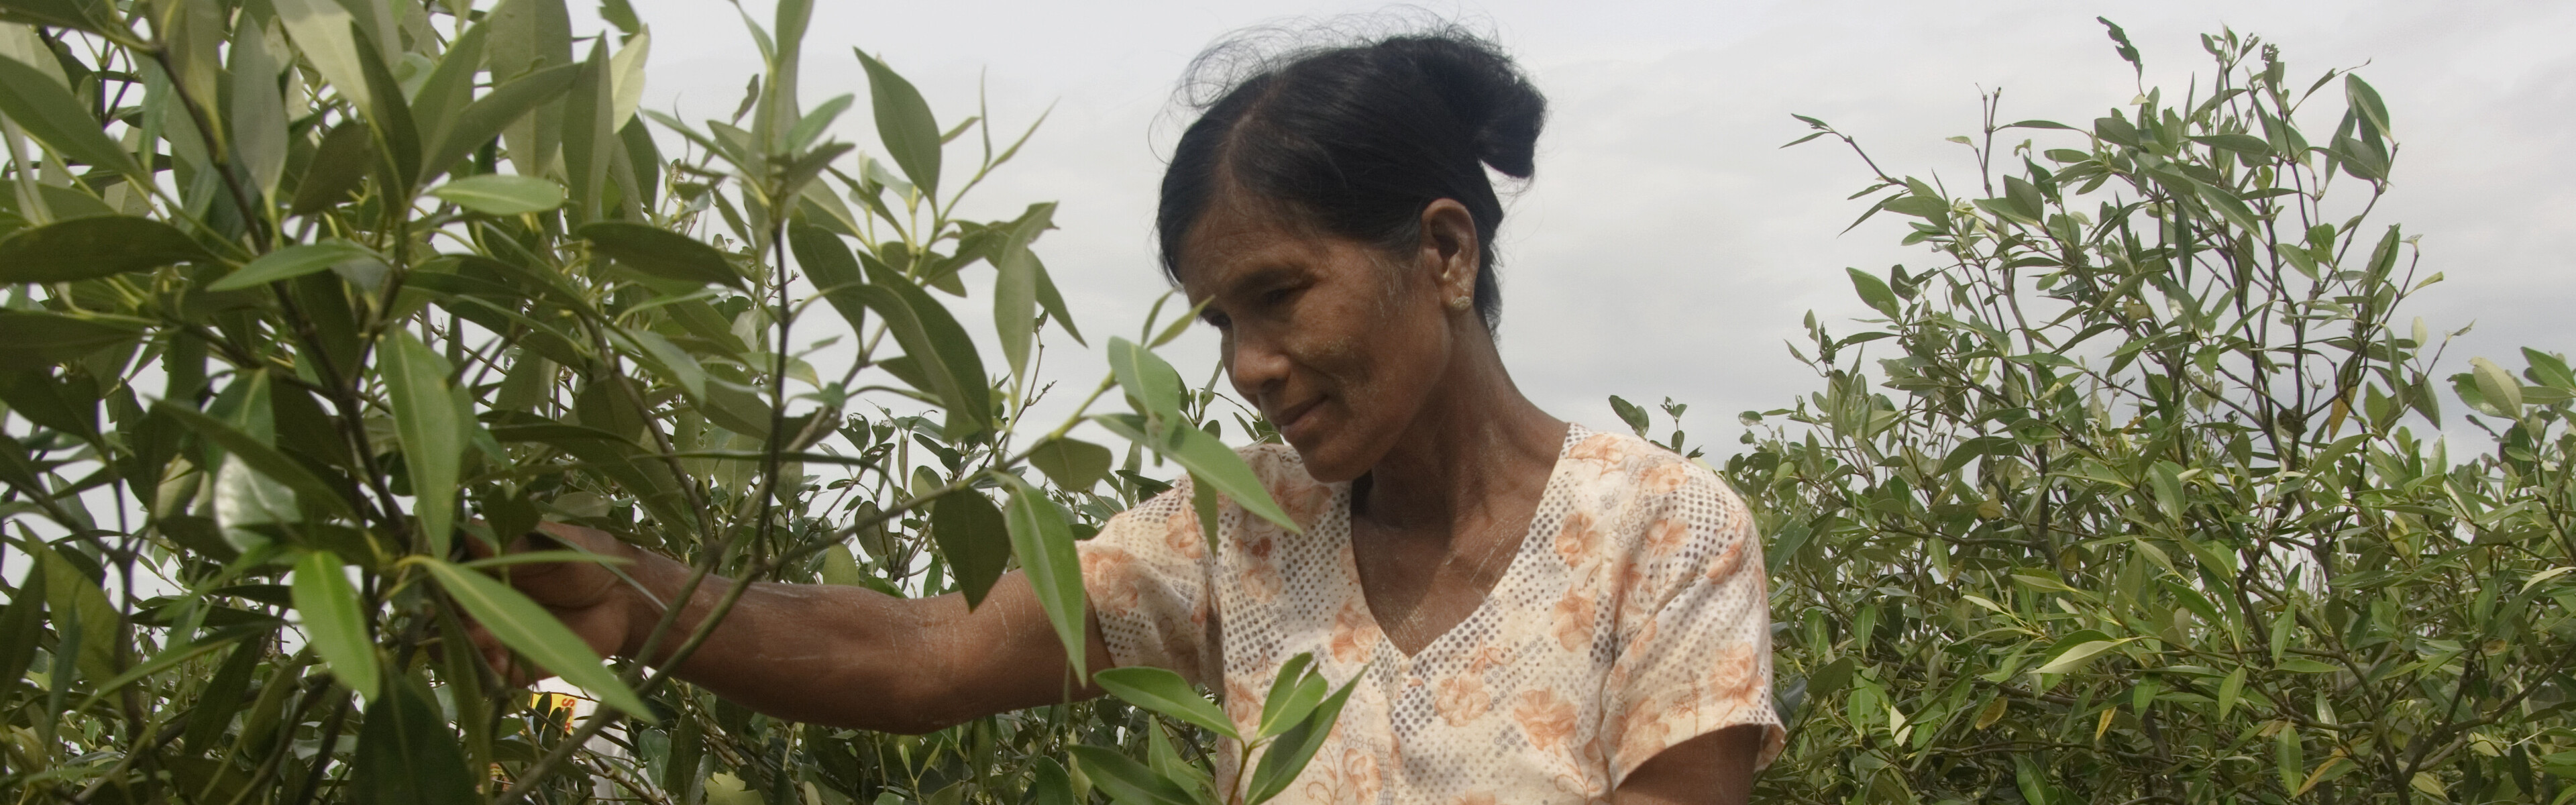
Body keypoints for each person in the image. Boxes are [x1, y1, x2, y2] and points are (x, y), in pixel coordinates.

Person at [480, 26, 1782, 805]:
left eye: (1279, 295)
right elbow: (928, 656)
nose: (1251, 368)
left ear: (1442, 254)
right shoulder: (1245, 525)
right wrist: (642, 598)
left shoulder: (1660, 537)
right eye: (1220, 322)